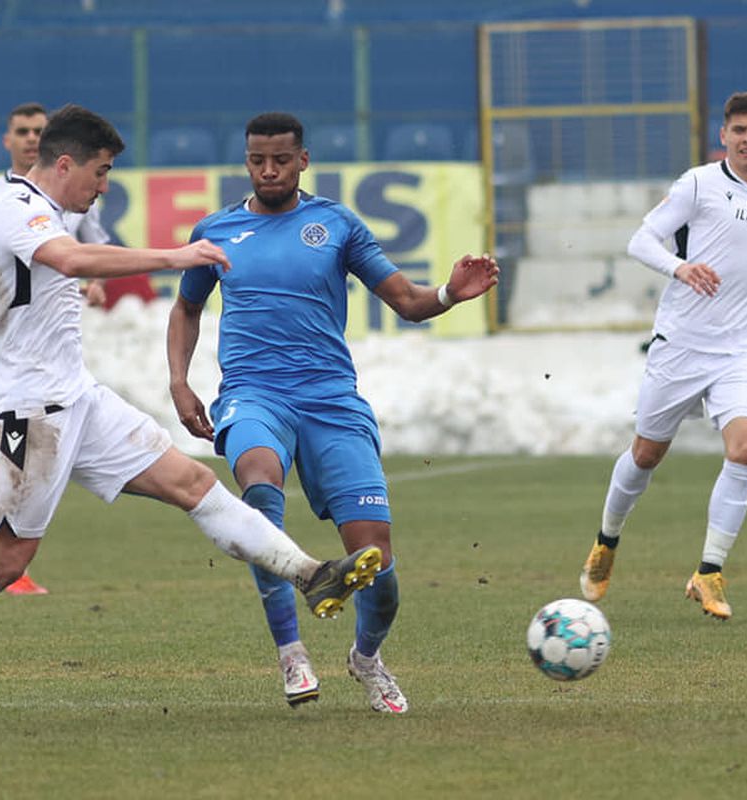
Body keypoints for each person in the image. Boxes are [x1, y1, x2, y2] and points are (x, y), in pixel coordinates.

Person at [0, 104, 383, 730]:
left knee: (194, 485)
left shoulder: (44, 211)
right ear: (67, 163)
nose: (104, 187)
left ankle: (311, 574)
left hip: (79, 398)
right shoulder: (19, 209)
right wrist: (175, 257)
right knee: (3, 562)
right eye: (100, 173)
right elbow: (70, 261)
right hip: (27, 413)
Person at [168, 111, 499, 713]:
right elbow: (187, 309)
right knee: (260, 488)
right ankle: (291, 653)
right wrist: (179, 382)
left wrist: (450, 293)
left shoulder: (336, 224)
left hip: (331, 401)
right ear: (246, 162)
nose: (268, 170)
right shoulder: (216, 231)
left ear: (303, 160)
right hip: (254, 394)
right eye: (257, 160)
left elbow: (406, 301)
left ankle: (366, 658)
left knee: (377, 561)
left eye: (280, 160)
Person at [578, 90, 747, 621]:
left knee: (745, 449)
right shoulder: (698, 183)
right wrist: (680, 268)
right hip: (681, 344)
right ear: (723, 136)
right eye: (739, 130)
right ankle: (607, 540)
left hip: (743, 348)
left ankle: (709, 572)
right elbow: (642, 240)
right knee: (646, 455)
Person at [0, 101, 111, 594]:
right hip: (5, 348)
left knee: (39, 443)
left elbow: (87, 256)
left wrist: (90, 283)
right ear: (7, 140)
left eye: (39, 130)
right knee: (17, 444)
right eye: (22, 131)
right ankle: (7, 559)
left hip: (54, 343)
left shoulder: (70, 194)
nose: (32, 137)